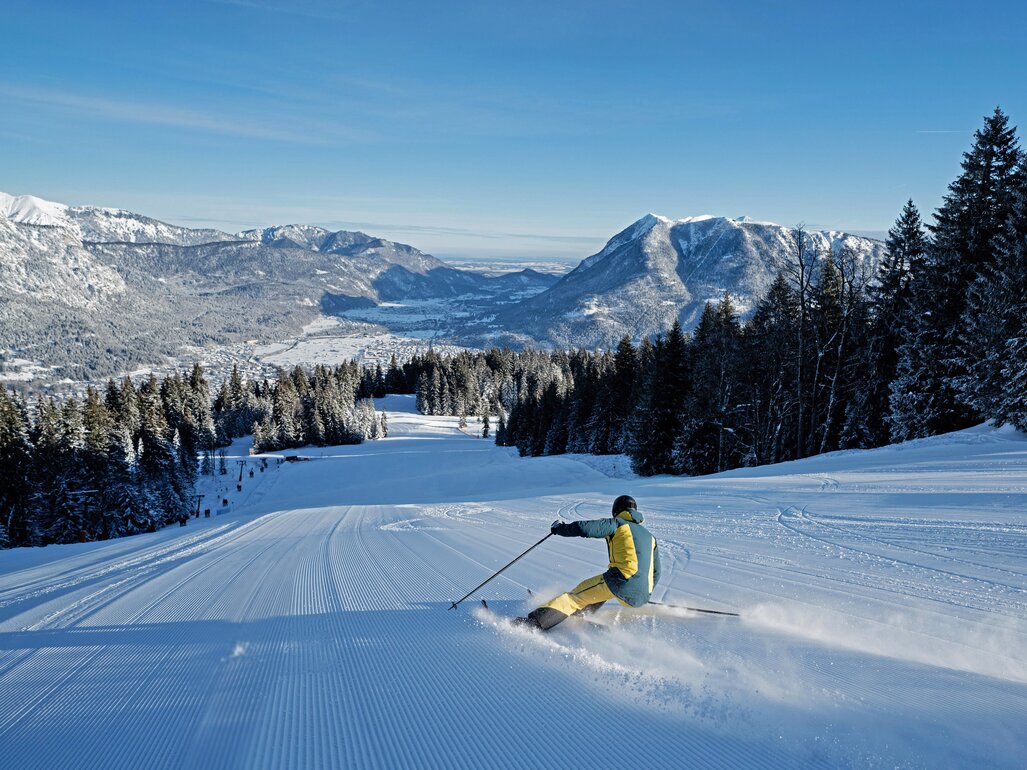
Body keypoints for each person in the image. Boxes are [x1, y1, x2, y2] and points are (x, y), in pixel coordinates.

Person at [515, 495, 661, 631]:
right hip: (643, 595)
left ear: (616, 510)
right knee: (601, 588)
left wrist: (561, 529)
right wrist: (641, 590)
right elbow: (656, 572)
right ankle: (583, 612)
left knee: (575, 597)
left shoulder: (618, 524)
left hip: (620, 582)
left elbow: (586, 528)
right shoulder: (650, 537)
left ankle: (535, 623)